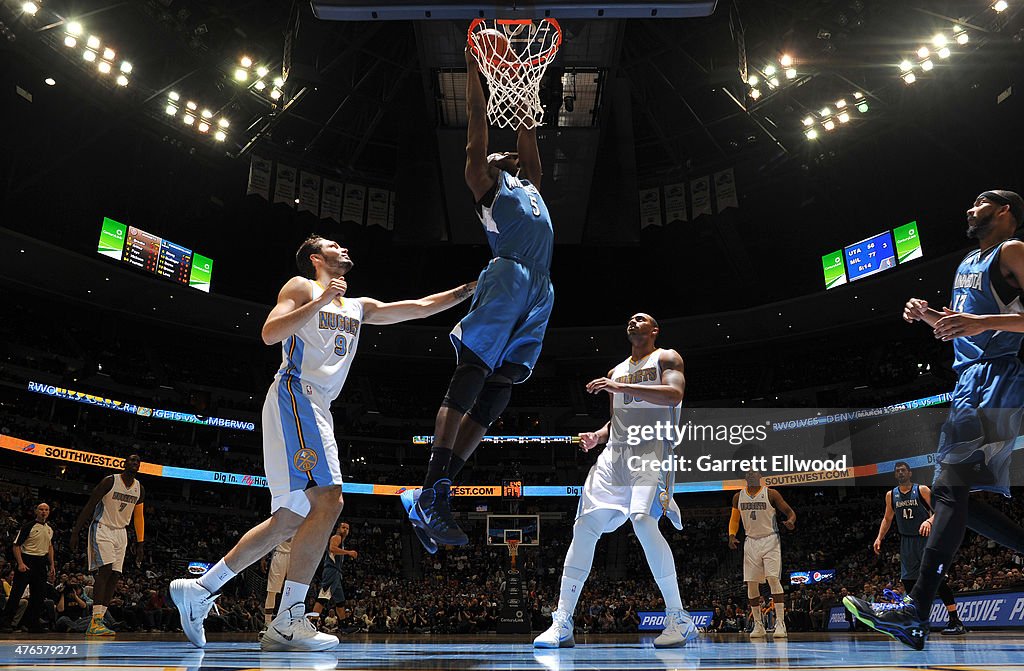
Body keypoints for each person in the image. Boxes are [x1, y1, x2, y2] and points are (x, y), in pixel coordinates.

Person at [169, 235, 475, 651]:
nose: (344, 247)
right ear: (316, 258)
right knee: (330, 499)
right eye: (334, 245)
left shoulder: (358, 307)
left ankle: (202, 588)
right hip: (296, 395)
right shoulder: (302, 287)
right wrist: (320, 301)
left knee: (291, 519)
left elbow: (418, 307)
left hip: (315, 407)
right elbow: (269, 333)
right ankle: (290, 617)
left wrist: (469, 289)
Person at [844, 189, 1024, 649]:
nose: (970, 206)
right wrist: (928, 317)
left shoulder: (1013, 252)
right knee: (958, 498)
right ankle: (916, 612)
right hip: (969, 381)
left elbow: (983, 324)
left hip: (999, 378)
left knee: (947, 488)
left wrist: (983, 323)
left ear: (1005, 212)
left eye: (983, 200)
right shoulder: (968, 263)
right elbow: (960, 328)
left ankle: (916, 609)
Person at [404, 42, 555, 551]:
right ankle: (430, 490)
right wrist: (476, 68)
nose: (503, 157)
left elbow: (528, 131)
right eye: (494, 157)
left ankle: (438, 491)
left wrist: (526, 73)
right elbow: (475, 123)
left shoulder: (529, 185)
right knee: (472, 372)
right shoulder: (483, 182)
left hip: (540, 288)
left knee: (503, 386)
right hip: (509, 277)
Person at [533, 313, 697, 649]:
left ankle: (679, 618)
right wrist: (598, 435)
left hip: (652, 450)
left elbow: (674, 395)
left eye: (642, 319)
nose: (633, 321)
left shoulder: (666, 357)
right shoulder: (615, 372)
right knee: (585, 526)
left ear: (654, 330)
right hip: (614, 456)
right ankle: (562, 622)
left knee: (642, 521)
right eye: (630, 319)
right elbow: (617, 417)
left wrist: (620, 387)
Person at [872, 461, 966, 635]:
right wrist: (879, 537)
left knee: (938, 580)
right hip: (906, 542)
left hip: (926, 540)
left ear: (910, 473)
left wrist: (929, 520)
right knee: (909, 582)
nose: (900, 473)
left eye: (903, 470)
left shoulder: (922, 490)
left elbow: (940, 510)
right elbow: (887, 519)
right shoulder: (890, 495)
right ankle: (920, 622)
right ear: (895, 475)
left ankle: (955, 620)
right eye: (897, 471)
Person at [69, 455, 145, 638]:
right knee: (105, 570)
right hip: (102, 527)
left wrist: (140, 543)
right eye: (131, 460)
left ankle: (99, 621)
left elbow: (139, 517)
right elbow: (89, 506)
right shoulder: (109, 481)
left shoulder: (139, 489)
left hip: (121, 532)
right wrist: (75, 531)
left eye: (137, 462)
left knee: (115, 575)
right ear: (124, 464)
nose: (134, 463)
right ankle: (95, 621)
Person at [728, 469, 796, 639]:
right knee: (751, 583)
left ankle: (780, 623)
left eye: (754, 473)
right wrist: (731, 536)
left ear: (760, 477)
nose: (751, 476)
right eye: (748, 474)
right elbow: (734, 520)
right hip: (751, 541)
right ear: (745, 478)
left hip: (770, 539)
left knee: (773, 579)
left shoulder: (771, 493)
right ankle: (758, 625)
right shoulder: (738, 497)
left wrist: (791, 521)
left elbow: (790, 511)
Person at [0, 503, 55, 633]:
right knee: (16, 594)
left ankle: (32, 623)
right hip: (27, 560)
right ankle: (4, 622)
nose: (43, 512)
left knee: (39, 596)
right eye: (41, 509)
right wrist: (20, 563)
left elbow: (50, 546)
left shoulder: (49, 529)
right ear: (36, 511)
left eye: (46, 510)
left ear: (49, 512)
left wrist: (52, 564)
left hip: (41, 562)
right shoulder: (28, 526)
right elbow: (16, 545)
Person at [311, 521, 356, 626]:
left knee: (340, 602)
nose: (345, 530)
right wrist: (349, 552)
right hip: (332, 571)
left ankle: (344, 625)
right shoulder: (336, 537)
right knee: (323, 597)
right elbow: (332, 548)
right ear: (339, 529)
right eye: (343, 527)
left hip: (336, 572)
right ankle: (312, 623)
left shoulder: (342, 541)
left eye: (347, 528)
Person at [263, 539, 291, 628]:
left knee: (293, 591)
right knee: (272, 590)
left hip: (295, 556)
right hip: (279, 554)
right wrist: (263, 558)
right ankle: (267, 622)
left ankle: (289, 622)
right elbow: (270, 538)